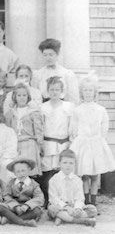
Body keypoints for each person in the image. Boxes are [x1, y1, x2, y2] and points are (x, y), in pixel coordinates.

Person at [69, 74, 115, 206]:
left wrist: (99, 138)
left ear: (95, 93)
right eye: (85, 90)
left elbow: (104, 126)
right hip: (82, 144)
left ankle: (93, 202)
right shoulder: (77, 110)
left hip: (96, 143)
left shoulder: (101, 110)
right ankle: (86, 200)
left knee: (95, 174)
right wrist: (77, 139)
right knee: (84, 174)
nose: (88, 93)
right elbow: (73, 127)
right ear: (81, 92)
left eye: (90, 90)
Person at [39, 76, 74, 206]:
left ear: (61, 91)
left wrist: (70, 141)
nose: (54, 92)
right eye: (52, 89)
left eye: (57, 89)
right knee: (47, 172)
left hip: (63, 143)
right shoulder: (43, 107)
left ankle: (62, 200)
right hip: (48, 143)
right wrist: (41, 143)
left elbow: (71, 125)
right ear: (48, 91)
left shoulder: (68, 107)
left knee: (61, 171)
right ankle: (47, 200)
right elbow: (41, 126)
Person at [47, 149, 97, 227]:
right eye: (65, 162)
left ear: (74, 164)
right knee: (51, 209)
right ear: (59, 163)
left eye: (71, 163)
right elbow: (54, 199)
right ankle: (82, 221)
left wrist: (77, 208)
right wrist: (66, 208)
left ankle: (63, 218)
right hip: (60, 206)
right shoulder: (54, 180)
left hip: (74, 206)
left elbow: (80, 198)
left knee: (92, 209)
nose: (68, 165)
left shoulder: (77, 180)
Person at [4, 83, 44, 177]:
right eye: (19, 95)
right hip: (15, 145)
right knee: (17, 170)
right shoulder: (10, 113)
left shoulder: (33, 112)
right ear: (14, 97)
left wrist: (40, 145)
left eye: (24, 95)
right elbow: (8, 130)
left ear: (28, 96)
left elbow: (38, 131)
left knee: (28, 170)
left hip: (29, 144)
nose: (22, 98)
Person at [0, 158, 44, 227]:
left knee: (37, 211)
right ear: (14, 173)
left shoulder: (34, 184)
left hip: (26, 209)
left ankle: (10, 220)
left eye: (23, 171)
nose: (21, 174)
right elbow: (6, 195)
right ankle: (23, 222)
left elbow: (39, 197)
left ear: (29, 170)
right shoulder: (11, 183)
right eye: (18, 172)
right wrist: (15, 206)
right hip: (13, 207)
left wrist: (27, 205)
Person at [32, 38, 79, 104]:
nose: (48, 58)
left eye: (51, 55)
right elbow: (34, 95)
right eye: (45, 55)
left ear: (57, 54)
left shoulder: (67, 74)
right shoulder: (38, 74)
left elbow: (73, 98)